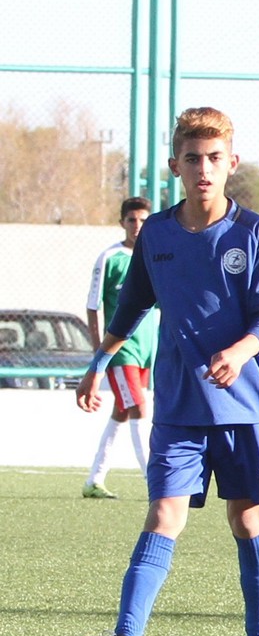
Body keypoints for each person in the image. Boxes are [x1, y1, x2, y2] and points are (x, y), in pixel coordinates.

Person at [76, 107, 259, 636]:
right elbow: (130, 308)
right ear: (175, 166)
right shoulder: (157, 235)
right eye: (192, 158)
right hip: (178, 407)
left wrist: (239, 352)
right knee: (163, 514)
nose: (203, 169)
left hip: (243, 406)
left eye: (214, 158)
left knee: (247, 520)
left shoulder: (251, 231)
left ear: (232, 163)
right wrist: (98, 364)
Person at [81, 196, 156, 499]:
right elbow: (93, 305)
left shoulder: (155, 256)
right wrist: (99, 352)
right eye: (132, 220)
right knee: (139, 406)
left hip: (148, 349)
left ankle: (94, 479)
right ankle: (154, 482)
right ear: (122, 222)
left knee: (123, 411)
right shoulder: (110, 258)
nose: (137, 226)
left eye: (143, 220)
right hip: (121, 351)